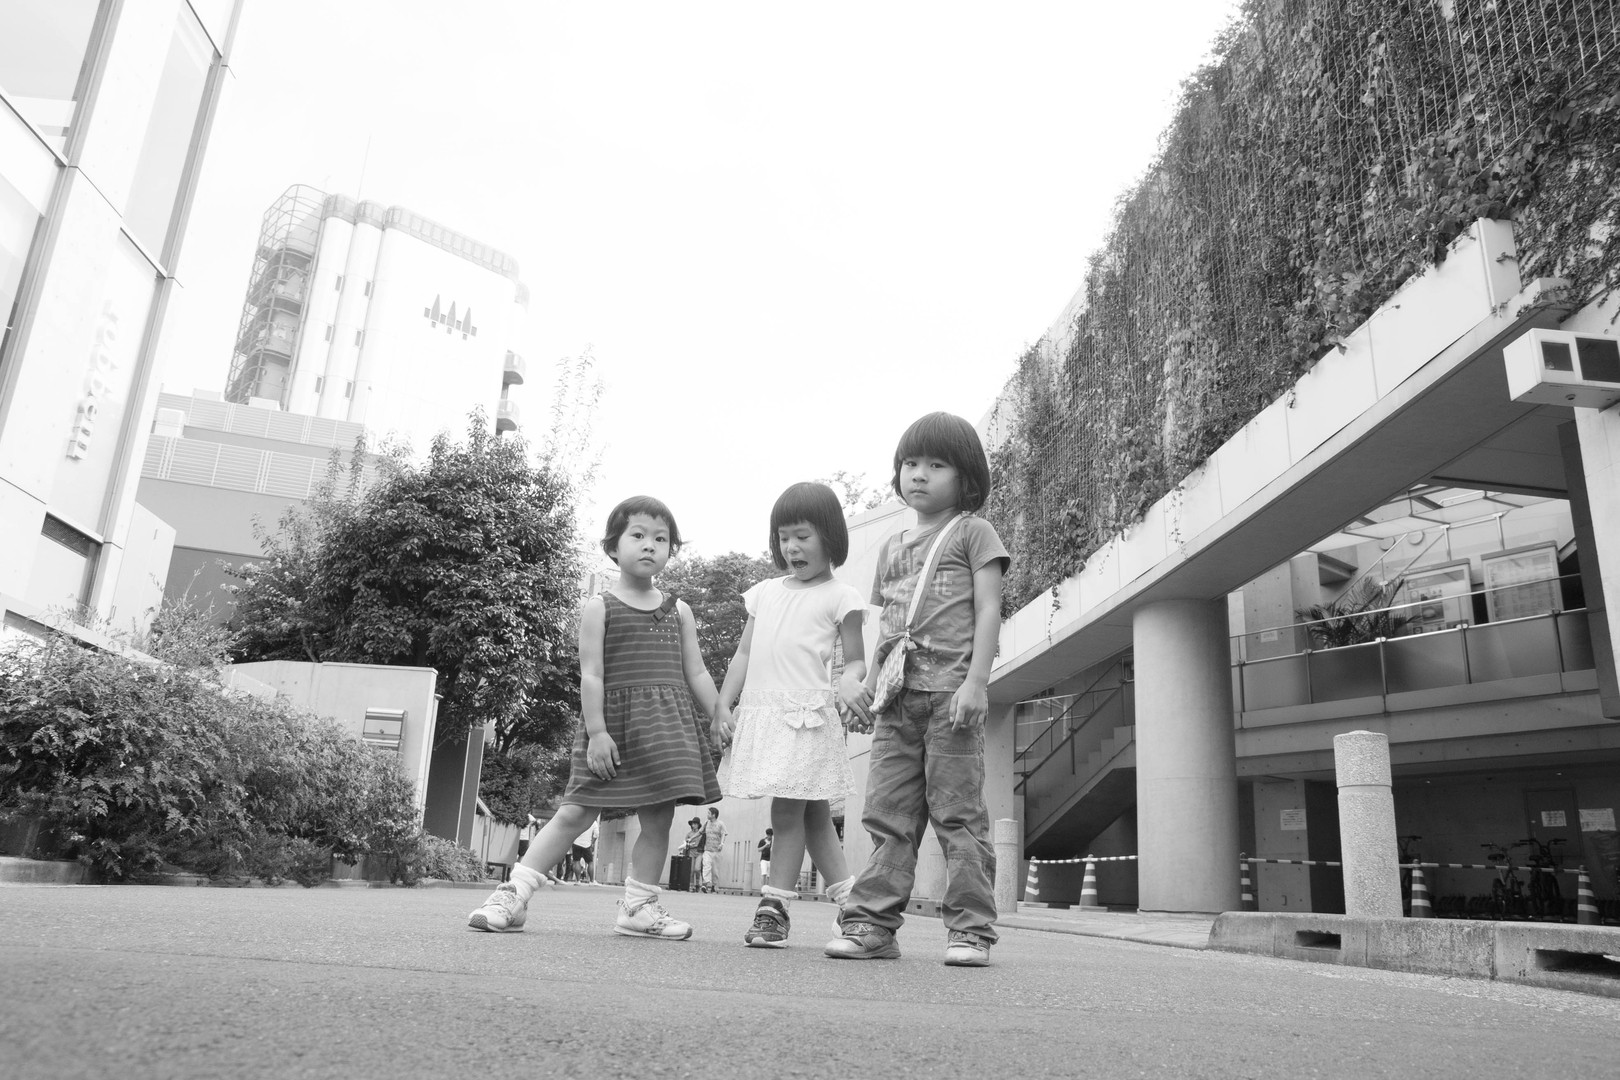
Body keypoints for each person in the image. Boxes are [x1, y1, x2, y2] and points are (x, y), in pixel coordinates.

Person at [468, 496, 723, 939]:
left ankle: (639, 908)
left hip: (666, 727)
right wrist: (599, 732)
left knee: (658, 818)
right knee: (575, 812)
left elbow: (696, 671)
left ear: (671, 549)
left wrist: (720, 714)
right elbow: (592, 675)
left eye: (661, 539)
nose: (649, 545)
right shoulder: (599, 607)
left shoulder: (680, 610)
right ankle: (513, 893)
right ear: (612, 547)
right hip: (611, 727)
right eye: (637, 535)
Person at [825, 413, 1010, 967]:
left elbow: (989, 608)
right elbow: (888, 626)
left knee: (958, 816)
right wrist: (863, 684)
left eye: (936, 464)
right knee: (888, 816)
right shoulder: (890, 547)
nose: (919, 474)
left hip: (952, 698)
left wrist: (977, 682)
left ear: (965, 477)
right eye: (910, 463)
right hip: (897, 702)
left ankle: (971, 930)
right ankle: (872, 925)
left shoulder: (974, 532)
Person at [713, 481, 867, 947]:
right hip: (766, 714)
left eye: (802, 536)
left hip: (806, 719)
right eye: (783, 537)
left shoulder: (842, 596)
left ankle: (774, 907)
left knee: (786, 810)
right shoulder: (763, 593)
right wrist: (723, 704)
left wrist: (850, 681)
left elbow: (856, 661)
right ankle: (853, 904)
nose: (791, 547)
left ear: (830, 537)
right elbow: (743, 654)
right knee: (813, 815)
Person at [699, 806, 727, 892]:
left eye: (709, 813)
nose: (707, 814)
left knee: (715, 871)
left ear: (713, 815)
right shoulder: (706, 823)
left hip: (716, 851)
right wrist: (691, 838)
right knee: (706, 866)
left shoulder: (720, 824)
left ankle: (714, 886)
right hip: (707, 850)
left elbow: (723, 834)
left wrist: (721, 843)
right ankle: (705, 884)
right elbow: (700, 832)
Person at [680, 815, 705, 891]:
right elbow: (685, 844)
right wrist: (689, 845)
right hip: (691, 852)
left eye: (695, 824)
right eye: (692, 824)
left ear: (698, 825)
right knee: (691, 870)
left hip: (699, 852)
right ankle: (691, 885)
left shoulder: (701, 834)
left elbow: (703, 843)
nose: (693, 825)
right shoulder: (689, 834)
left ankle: (697, 884)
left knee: (697, 869)